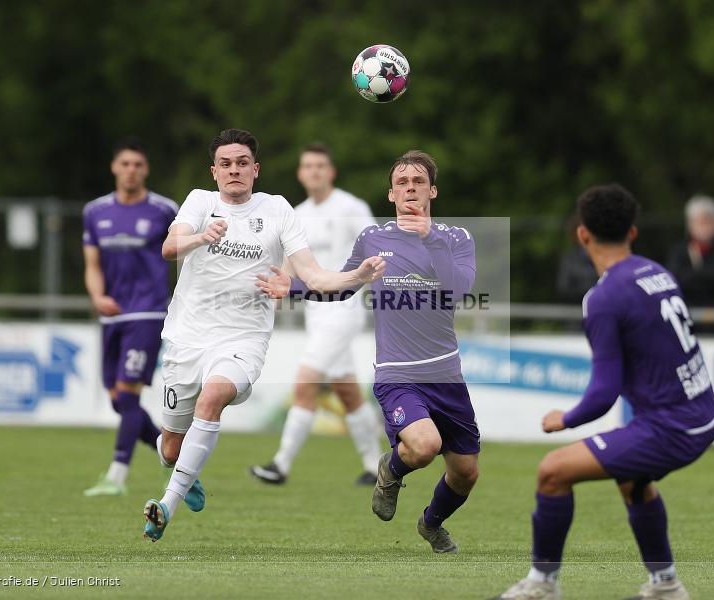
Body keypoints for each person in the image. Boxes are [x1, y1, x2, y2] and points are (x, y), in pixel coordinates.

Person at [143, 128, 385, 542]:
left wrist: (357, 276)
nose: (234, 170)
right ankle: (185, 472)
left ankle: (167, 503)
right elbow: (169, 247)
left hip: (243, 337)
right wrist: (202, 236)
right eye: (226, 164)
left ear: (255, 170)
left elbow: (312, 274)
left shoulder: (278, 210)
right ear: (214, 171)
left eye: (242, 163)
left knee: (214, 395)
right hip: (187, 336)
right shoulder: (200, 201)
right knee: (170, 448)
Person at [496, 184, 714, 600]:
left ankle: (542, 584)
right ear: (632, 232)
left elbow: (604, 393)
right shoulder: (658, 272)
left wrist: (563, 418)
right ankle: (666, 584)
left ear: (583, 235)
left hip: (671, 427)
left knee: (552, 472)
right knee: (631, 481)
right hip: (703, 413)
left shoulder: (603, 298)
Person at [259, 151, 480, 555]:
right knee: (424, 446)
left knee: (465, 474)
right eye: (401, 183)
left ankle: (431, 524)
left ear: (432, 190)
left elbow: (457, 292)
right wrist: (291, 288)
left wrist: (430, 238)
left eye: (418, 182)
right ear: (391, 194)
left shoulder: (457, 238)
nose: (409, 188)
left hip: (447, 375)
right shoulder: (373, 239)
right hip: (397, 373)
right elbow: (342, 285)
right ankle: (390, 469)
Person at [249, 143, 382, 486]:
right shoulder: (297, 213)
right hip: (316, 315)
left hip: (344, 311)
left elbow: (376, 249)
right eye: (308, 166)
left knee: (305, 381)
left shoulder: (352, 207)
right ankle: (376, 466)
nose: (314, 171)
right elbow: (290, 263)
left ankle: (281, 464)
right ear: (300, 173)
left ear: (331, 171)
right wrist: (277, 292)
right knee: (349, 392)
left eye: (321, 165)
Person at [81, 138, 203, 502]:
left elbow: (185, 255)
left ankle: (117, 475)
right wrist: (97, 296)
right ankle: (181, 465)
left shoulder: (164, 210)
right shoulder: (94, 211)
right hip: (111, 316)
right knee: (120, 401)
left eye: (138, 164)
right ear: (114, 168)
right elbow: (92, 264)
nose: (131, 170)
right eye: (125, 164)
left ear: (145, 169)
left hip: (148, 313)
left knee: (129, 394)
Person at [666, 195, 714, 333]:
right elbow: (675, 281)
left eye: (708, 221)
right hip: (688, 328)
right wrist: (705, 276)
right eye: (699, 222)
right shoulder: (679, 251)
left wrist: (695, 274)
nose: (704, 227)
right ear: (689, 224)